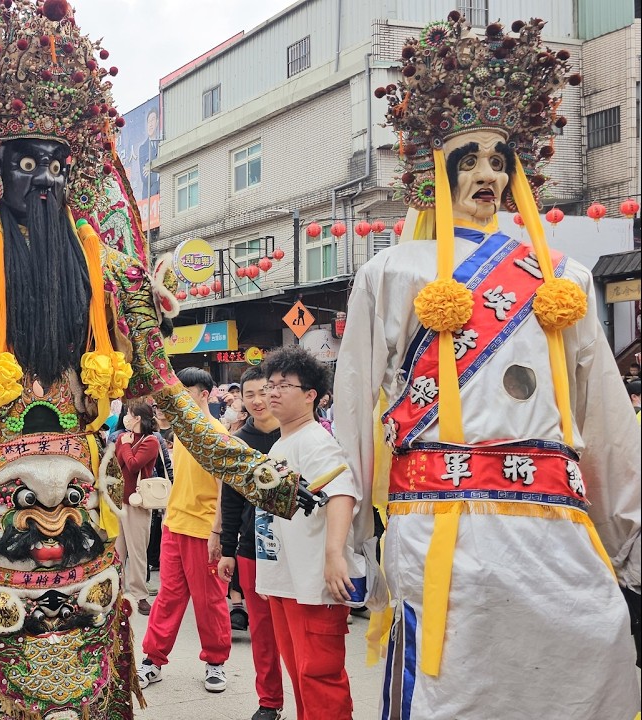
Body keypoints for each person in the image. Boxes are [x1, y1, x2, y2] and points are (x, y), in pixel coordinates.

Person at [0, 4, 325, 714]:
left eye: (56, 164)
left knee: (95, 664)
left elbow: (170, 395)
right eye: (24, 162)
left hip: (87, 498)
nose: (42, 180)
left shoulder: (111, 273)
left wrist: (254, 471)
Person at [336, 14, 641, 717]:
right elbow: (353, 403)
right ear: (435, 171)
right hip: (445, 517)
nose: (488, 174)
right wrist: (346, 532)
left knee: (599, 641)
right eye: (469, 158)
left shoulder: (562, 275)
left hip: (554, 524)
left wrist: (630, 530)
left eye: (500, 160)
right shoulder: (393, 272)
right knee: (453, 686)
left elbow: (603, 415)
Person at [256, 346, 358, 720]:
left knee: (319, 676)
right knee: (301, 678)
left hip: (314, 584)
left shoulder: (315, 440)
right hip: (287, 580)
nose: (273, 393)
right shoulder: (283, 442)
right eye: (270, 385)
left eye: (285, 385)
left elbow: (342, 492)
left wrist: (334, 556)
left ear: (311, 395)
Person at [137, 368, 235, 695]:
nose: (179, 398)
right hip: (174, 525)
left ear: (204, 394)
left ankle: (216, 662)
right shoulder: (183, 431)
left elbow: (225, 487)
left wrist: (218, 532)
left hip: (204, 528)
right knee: (168, 597)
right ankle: (152, 660)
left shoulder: (216, 432)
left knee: (209, 601)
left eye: (186, 391)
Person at [218, 367, 285, 720]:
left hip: (296, 549)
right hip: (253, 549)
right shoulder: (238, 443)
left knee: (297, 632)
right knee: (261, 631)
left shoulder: (298, 434)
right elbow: (231, 500)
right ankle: (269, 701)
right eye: (250, 394)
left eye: (264, 392)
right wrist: (228, 550)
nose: (258, 401)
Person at [114, 400, 161, 614]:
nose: (126, 417)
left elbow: (133, 465)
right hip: (119, 500)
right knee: (117, 550)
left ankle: (140, 595)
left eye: (129, 414)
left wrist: (124, 445)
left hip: (138, 501)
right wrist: (123, 444)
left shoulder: (151, 441)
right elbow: (118, 464)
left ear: (138, 418)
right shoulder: (124, 438)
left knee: (137, 550)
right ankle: (116, 591)